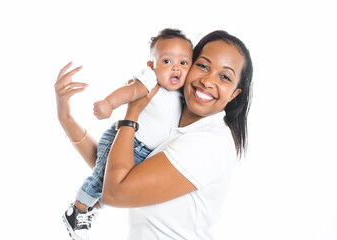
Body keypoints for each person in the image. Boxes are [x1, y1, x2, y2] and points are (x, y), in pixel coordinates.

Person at [54, 30, 253, 240]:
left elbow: (115, 192)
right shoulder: (172, 122)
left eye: (224, 77)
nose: (208, 81)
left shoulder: (209, 143)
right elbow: (109, 168)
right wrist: (65, 117)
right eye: (203, 66)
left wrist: (132, 113)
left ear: (234, 94)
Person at [60, 28, 193, 240]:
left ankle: (89, 209)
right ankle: (76, 212)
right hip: (127, 142)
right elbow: (131, 91)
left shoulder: (182, 93)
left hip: (145, 153)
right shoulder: (151, 80)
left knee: (115, 190)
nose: (176, 68)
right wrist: (109, 104)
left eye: (184, 63)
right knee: (101, 178)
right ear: (152, 65)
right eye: (167, 61)